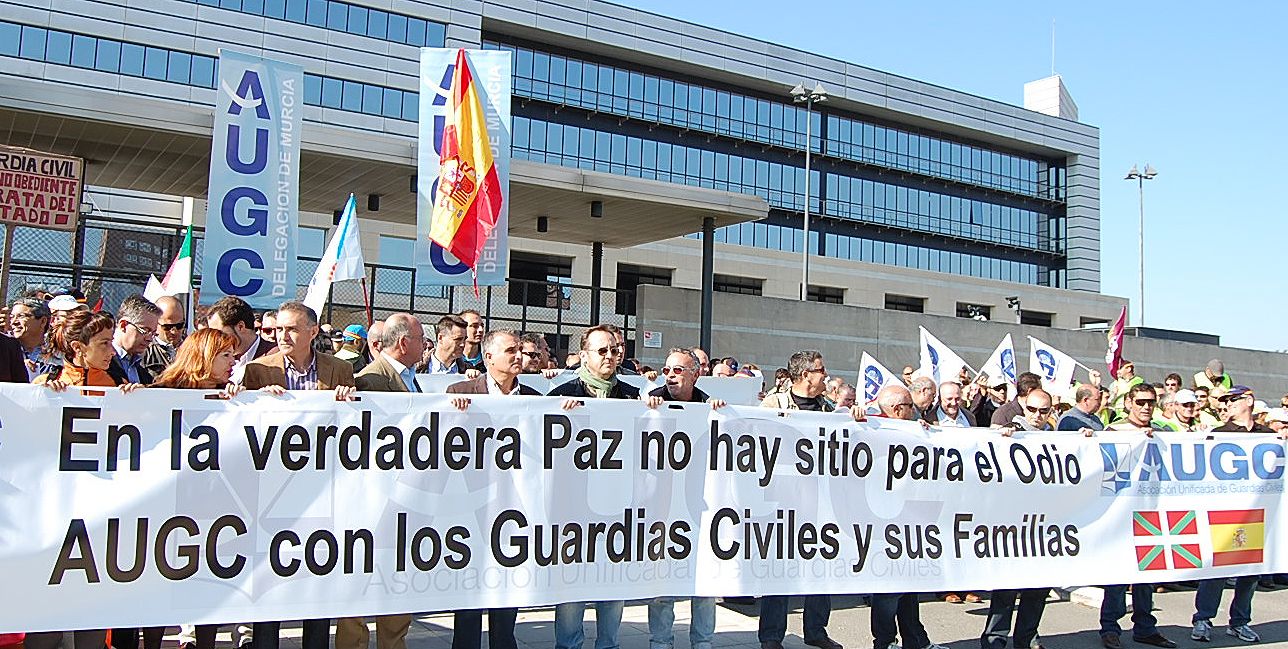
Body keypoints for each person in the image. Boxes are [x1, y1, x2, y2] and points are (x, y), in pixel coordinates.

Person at [242, 302, 354, 649]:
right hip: (272, 489)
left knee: (316, 577)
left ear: (312, 331)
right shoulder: (259, 369)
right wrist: (257, 399)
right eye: (278, 329)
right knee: (269, 578)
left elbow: (354, 426)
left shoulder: (338, 369)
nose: (283, 335)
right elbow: (244, 424)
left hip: (321, 489)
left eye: (291, 328)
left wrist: (349, 400)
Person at [150, 328, 247, 649]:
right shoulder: (161, 393)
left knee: (208, 591)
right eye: (226, 356)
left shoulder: (232, 399)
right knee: (159, 595)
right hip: (165, 512)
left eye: (234, 355)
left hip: (212, 511)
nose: (233, 362)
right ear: (204, 355)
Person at [443, 329, 539, 649]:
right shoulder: (460, 392)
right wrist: (450, 411)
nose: (517, 356)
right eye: (510, 350)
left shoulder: (536, 400)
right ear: (488, 357)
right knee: (469, 598)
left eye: (519, 351)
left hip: (514, 510)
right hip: (471, 509)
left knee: (506, 593)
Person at [335, 315, 426, 649]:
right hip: (372, 502)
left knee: (397, 581)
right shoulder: (371, 380)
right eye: (419, 338)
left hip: (404, 500)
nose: (423, 344)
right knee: (360, 583)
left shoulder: (412, 378)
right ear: (403, 343)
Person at [548, 325, 640, 649]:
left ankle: (608, 644)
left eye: (614, 350)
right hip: (573, 510)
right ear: (584, 355)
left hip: (617, 508)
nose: (609, 357)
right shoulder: (561, 395)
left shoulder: (633, 396)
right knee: (572, 591)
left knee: (612, 587)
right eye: (602, 351)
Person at [756, 350, 846, 649]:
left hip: (819, 500)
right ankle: (771, 636)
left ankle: (816, 631)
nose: (826, 375)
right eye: (821, 370)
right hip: (781, 499)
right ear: (805, 374)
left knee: (820, 566)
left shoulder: (829, 408)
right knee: (779, 568)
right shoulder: (773, 404)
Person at [870, 383, 949, 648]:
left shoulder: (912, 429)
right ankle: (884, 641)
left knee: (908, 585)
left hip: (909, 517)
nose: (914, 411)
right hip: (882, 520)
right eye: (909, 407)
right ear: (895, 409)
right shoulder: (870, 429)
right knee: (889, 589)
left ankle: (915, 640)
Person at [983, 389, 1054, 649]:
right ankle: (995, 640)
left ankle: (1027, 639)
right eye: (1033, 409)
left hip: (1045, 530)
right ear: (1024, 408)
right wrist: (1004, 435)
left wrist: (1086, 440)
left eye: (1043, 411)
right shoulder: (1012, 432)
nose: (1037, 415)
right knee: (1006, 591)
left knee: (1037, 592)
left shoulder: (1059, 439)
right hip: (1013, 530)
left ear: (1050, 411)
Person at [207, 296, 274, 384]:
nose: (216, 338)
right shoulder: (216, 358)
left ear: (240, 327)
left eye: (220, 332)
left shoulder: (274, 356)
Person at [110, 294, 162, 385]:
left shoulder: (142, 371)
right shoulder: (100, 362)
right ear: (123, 325)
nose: (149, 339)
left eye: (153, 333)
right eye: (145, 330)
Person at [10, 296, 55, 379]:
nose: (14, 322)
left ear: (43, 321)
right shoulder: (5, 349)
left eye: (21, 316)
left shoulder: (57, 353)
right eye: (12, 317)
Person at [142, 295, 186, 377]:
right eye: (167, 327)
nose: (174, 331)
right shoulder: (144, 350)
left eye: (179, 325)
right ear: (155, 323)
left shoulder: (193, 348)